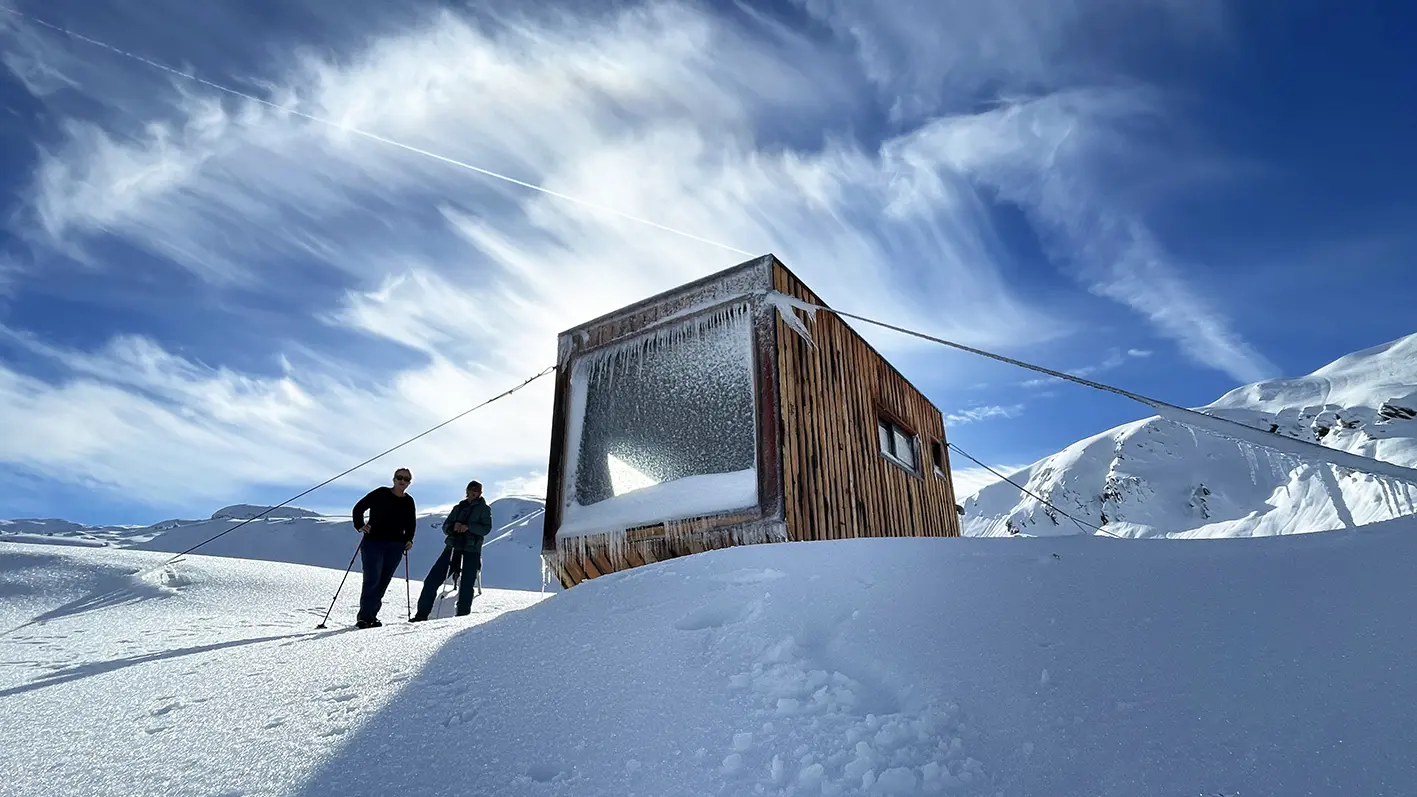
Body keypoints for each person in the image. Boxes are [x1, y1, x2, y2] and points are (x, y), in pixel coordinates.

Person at [411, 480, 491, 621]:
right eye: (469, 491)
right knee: (432, 580)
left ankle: (461, 617)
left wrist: (468, 527)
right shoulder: (458, 507)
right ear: (466, 491)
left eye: (475, 492)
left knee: (466, 586)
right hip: (453, 547)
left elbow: (486, 529)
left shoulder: (484, 509)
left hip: (471, 550)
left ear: (479, 493)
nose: (471, 494)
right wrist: (454, 527)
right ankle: (421, 615)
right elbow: (445, 526)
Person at [351, 468, 417, 628]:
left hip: (395, 545)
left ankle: (371, 616)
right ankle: (365, 617)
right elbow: (359, 508)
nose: (402, 481)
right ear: (394, 479)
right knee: (372, 578)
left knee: (383, 581)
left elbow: (411, 523)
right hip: (374, 542)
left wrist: (409, 539)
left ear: (409, 483)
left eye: (406, 479)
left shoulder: (409, 501)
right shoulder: (381, 493)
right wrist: (360, 525)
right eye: (399, 477)